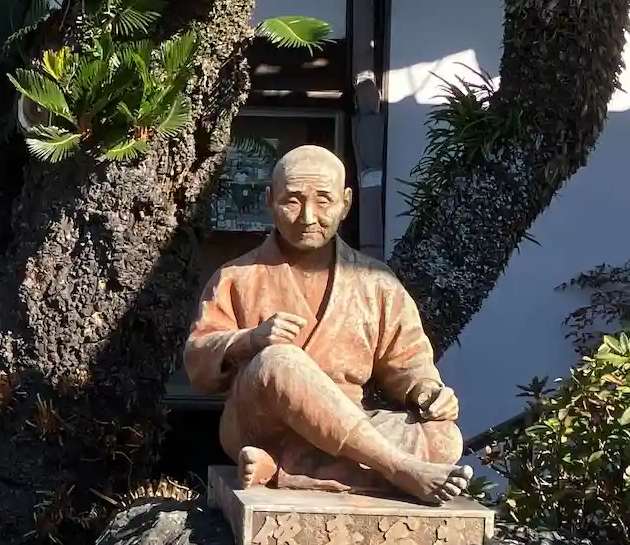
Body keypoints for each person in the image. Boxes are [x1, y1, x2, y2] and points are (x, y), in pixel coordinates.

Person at [184, 144, 472, 504]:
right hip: (261, 425)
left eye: (323, 201)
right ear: (270, 200)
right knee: (280, 359)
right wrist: (249, 340)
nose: (308, 217)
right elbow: (198, 364)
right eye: (292, 201)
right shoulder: (237, 277)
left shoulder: (376, 282)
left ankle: (286, 469)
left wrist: (427, 391)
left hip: (349, 426)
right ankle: (399, 469)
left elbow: (408, 360)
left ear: (346, 203)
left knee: (443, 438)